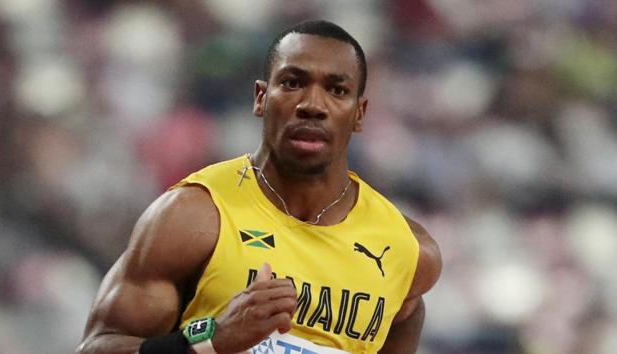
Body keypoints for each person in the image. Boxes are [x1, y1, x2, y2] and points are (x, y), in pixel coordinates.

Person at [77, 20, 442, 354]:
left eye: (336, 90)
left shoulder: (408, 252)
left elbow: (407, 314)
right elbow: (96, 348)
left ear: (359, 113)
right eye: (293, 83)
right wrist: (209, 340)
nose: (312, 105)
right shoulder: (194, 216)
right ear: (261, 97)